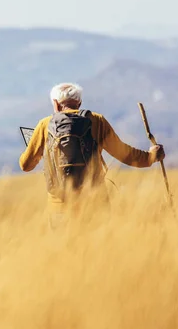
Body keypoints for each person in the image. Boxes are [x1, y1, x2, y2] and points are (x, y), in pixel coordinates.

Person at [19, 82, 165, 226]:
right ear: (79, 103)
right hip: (95, 202)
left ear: (56, 104)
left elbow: (25, 165)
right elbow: (124, 154)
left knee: (64, 249)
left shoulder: (45, 125)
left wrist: (42, 152)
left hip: (60, 208)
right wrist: (150, 156)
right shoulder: (96, 120)